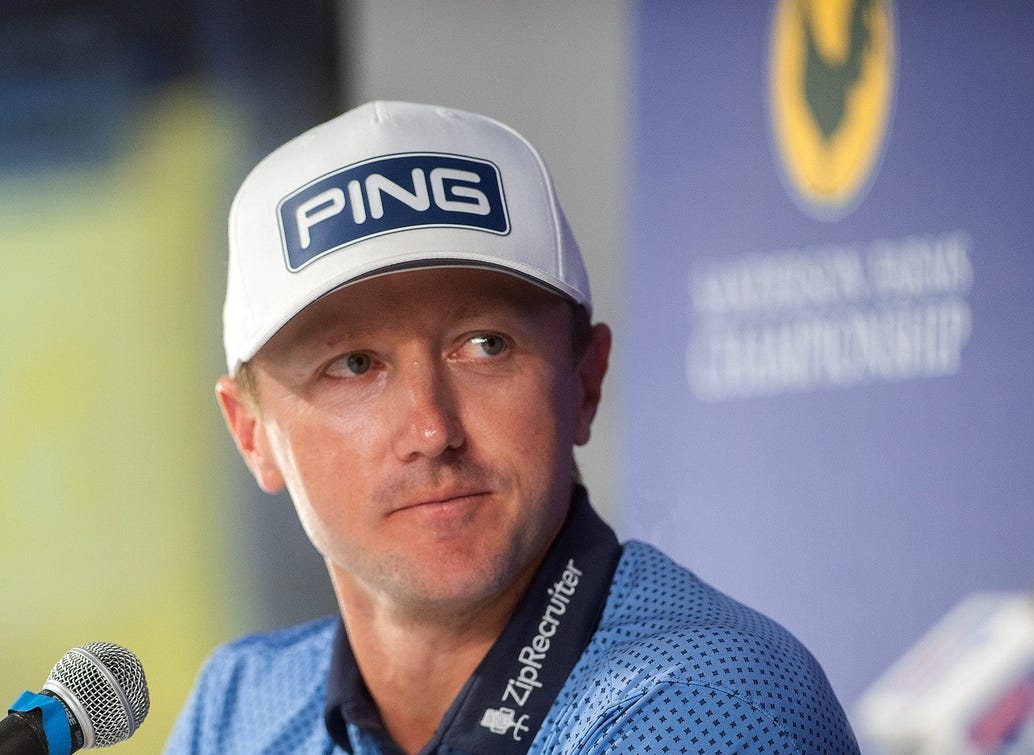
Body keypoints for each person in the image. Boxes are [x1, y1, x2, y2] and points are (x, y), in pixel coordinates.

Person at [166, 101, 861, 754]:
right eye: (354, 364)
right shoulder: (237, 709)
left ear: (585, 380)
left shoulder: (708, 699)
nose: (432, 430)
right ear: (251, 433)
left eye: (485, 345)